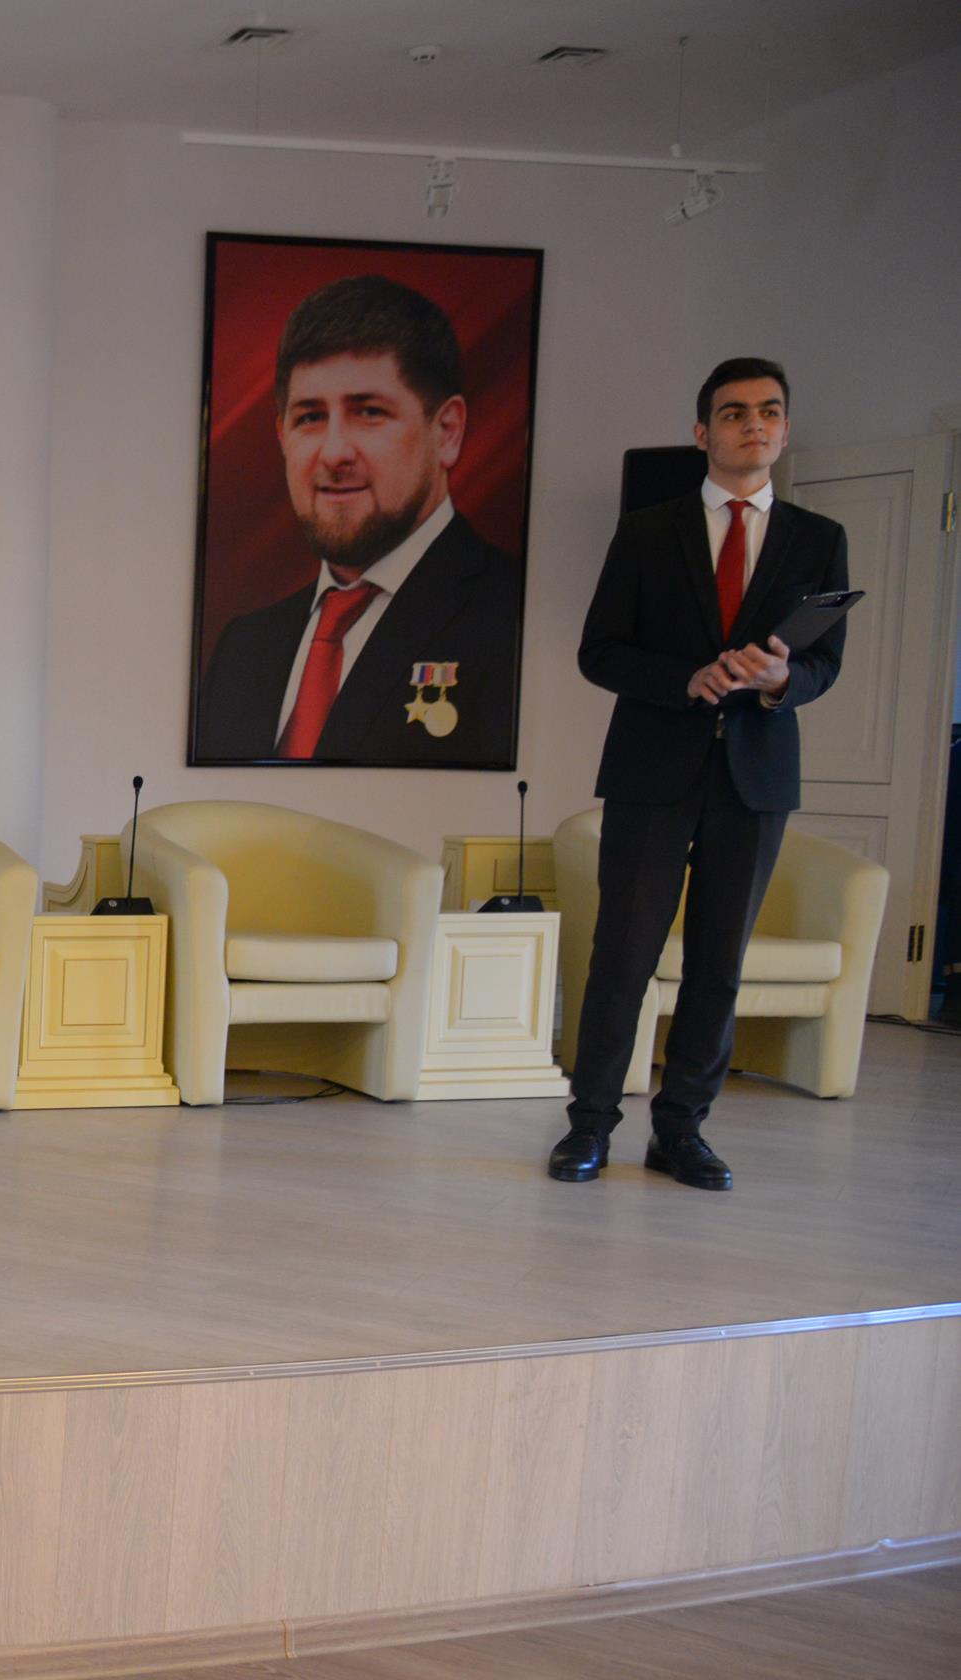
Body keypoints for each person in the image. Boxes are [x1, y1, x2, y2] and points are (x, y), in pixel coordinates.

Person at [553, 359, 849, 1193]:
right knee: (624, 955)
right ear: (702, 432)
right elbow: (599, 651)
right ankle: (589, 1126)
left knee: (719, 964)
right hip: (652, 768)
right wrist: (685, 678)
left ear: (785, 430)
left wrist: (783, 679)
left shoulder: (819, 538)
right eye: (734, 412)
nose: (754, 424)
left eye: (769, 411)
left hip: (756, 777)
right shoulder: (648, 531)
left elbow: (825, 662)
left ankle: (680, 1131)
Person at [191, 276, 525, 767]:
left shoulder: (513, 618)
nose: (333, 453)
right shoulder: (243, 649)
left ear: (447, 432)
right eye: (310, 417)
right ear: (282, 436)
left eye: (368, 412)